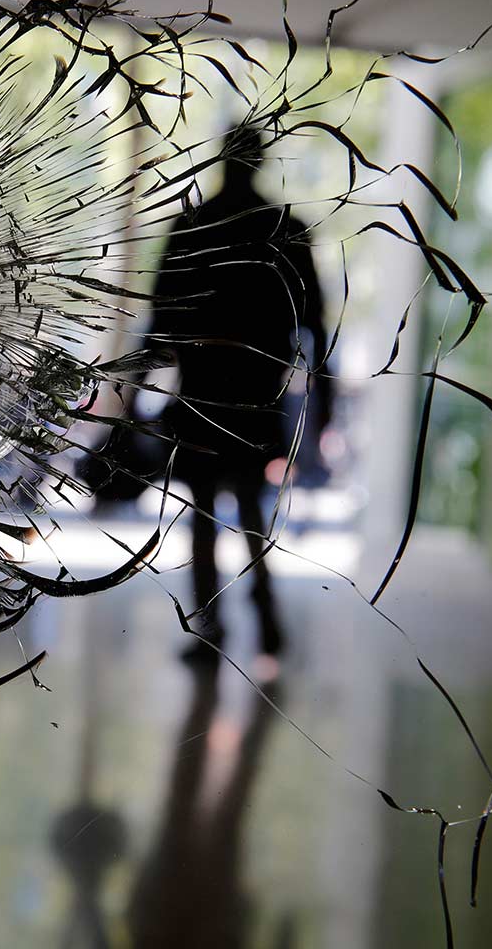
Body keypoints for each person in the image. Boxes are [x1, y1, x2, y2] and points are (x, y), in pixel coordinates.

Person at [126, 128, 332, 659]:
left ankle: (215, 625)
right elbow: (313, 325)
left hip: (204, 392)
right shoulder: (286, 230)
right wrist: (320, 403)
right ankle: (263, 621)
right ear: (260, 162)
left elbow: (160, 323)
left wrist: (133, 393)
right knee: (244, 507)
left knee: (205, 511)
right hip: (254, 392)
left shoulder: (191, 226)